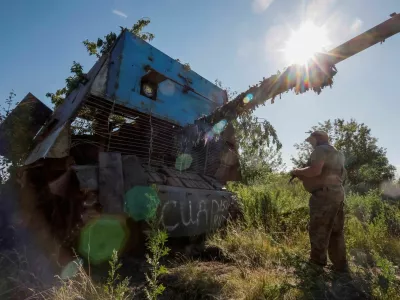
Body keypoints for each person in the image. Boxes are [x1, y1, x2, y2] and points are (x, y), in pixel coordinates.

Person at [291, 130, 349, 273]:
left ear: (318, 139)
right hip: (337, 194)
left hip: (324, 197)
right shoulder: (338, 153)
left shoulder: (320, 150)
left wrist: (298, 171)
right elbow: (342, 175)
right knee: (336, 231)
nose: (310, 144)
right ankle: (340, 266)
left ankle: (316, 266)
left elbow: (315, 170)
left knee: (319, 229)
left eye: (311, 141)